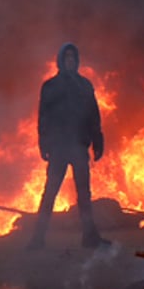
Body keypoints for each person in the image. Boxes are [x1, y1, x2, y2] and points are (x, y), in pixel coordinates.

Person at [25, 43, 109, 250]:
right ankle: (38, 239)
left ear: (77, 61)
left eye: (73, 58)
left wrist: (97, 141)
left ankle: (90, 238)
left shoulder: (84, 85)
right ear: (61, 61)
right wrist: (43, 143)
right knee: (50, 193)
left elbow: (93, 115)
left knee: (84, 194)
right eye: (67, 57)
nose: (70, 61)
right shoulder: (50, 86)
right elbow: (43, 117)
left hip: (79, 146)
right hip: (59, 147)